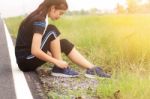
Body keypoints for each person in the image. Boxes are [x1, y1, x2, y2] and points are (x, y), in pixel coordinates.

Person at [15, 0, 111, 78]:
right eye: (60, 13)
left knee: (64, 44)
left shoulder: (41, 15)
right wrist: (57, 61)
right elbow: (35, 50)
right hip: (25, 60)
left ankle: (92, 69)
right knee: (52, 30)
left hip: (27, 58)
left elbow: (39, 45)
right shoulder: (40, 19)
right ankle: (59, 68)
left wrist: (52, 55)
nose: (60, 17)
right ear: (53, 8)